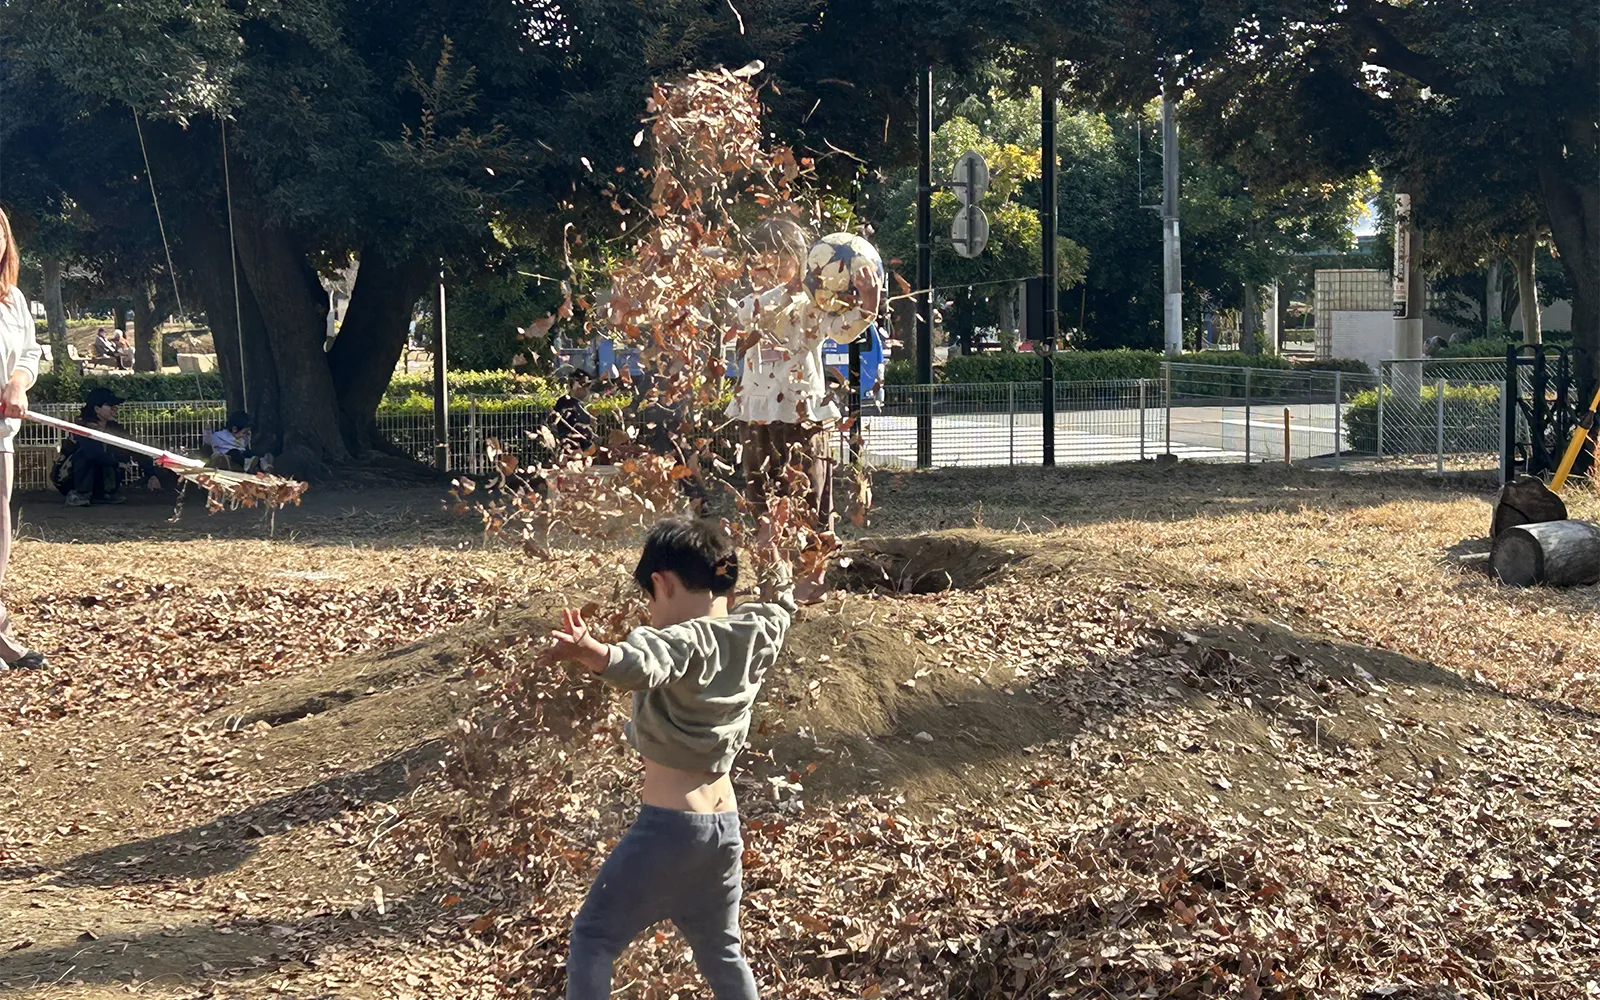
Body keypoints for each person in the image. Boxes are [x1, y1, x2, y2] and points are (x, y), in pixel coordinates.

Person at [546, 517, 814, 1000]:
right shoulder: (755, 631)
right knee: (721, 948)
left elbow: (640, 664)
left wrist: (592, 652)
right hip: (724, 830)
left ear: (661, 583)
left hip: (669, 830)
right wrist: (773, 557)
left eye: (650, 598)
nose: (650, 611)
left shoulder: (680, 640)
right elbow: (782, 604)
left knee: (593, 937)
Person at [726, 219, 880, 527]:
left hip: (804, 417)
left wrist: (869, 304)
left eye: (783, 260)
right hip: (757, 417)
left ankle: (812, 567)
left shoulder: (815, 304)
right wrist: (783, 290)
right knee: (762, 504)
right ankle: (770, 568)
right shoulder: (751, 302)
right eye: (763, 262)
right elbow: (748, 316)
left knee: (810, 502)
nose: (772, 270)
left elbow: (841, 331)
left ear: (805, 263)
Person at [0, 206, 46, 670]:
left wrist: (17, 381)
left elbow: (30, 352)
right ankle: (3, 643)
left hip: (0, 437)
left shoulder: (13, 300)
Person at [61, 387, 159, 507]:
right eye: (110, 406)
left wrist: (151, 474)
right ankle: (79, 493)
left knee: (115, 451)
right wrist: (117, 464)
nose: (114, 410)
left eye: (115, 406)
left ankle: (101, 493)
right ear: (97, 409)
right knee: (86, 454)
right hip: (68, 478)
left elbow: (135, 447)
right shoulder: (82, 427)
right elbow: (93, 453)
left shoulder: (115, 428)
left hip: (99, 475)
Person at [549, 372, 596, 460]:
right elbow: (564, 429)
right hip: (569, 451)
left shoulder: (577, 403)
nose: (587, 390)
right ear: (575, 384)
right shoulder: (565, 403)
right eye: (584, 385)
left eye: (588, 386)